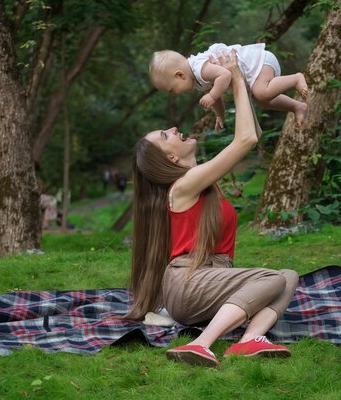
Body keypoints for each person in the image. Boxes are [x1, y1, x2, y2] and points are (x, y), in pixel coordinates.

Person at [126, 50, 299, 368]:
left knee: (288, 277)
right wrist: (233, 76)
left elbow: (252, 135)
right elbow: (245, 139)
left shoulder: (198, 178)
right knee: (272, 279)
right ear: (171, 159)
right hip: (190, 283)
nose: (175, 129)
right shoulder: (184, 185)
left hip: (211, 280)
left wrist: (239, 84)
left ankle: (249, 340)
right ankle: (200, 344)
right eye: (167, 135)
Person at [149, 43, 309, 131]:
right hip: (255, 70)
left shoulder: (199, 68)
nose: (174, 94)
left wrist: (211, 96)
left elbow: (224, 76)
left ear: (179, 75)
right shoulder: (196, 78)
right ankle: (296, 107)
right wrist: (220, 115)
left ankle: (296, 79)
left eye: (172, 90)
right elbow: (217, 97)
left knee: (261, 93)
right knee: (263, 101)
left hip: (259, 62)